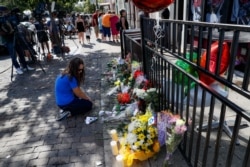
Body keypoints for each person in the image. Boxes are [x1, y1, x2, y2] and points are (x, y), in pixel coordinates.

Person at [0, 6, 34, 75]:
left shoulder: (10, 17)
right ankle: (17, 68)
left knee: (21, 53)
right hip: (8, 39)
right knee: (13, 55)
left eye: (7, 11)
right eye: (5, 11)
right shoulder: (1, 20)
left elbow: (17, 23)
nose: (6, 12)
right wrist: (8, 32)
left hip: (16, 36)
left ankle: (25, 66)